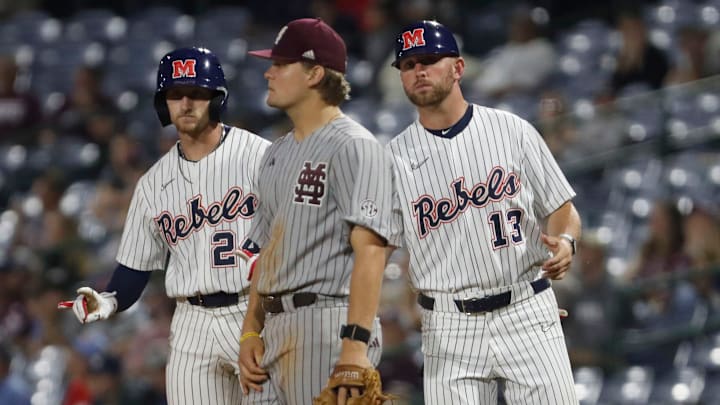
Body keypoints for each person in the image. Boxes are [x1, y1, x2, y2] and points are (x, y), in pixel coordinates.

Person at [58, 46, 271, 404]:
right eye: (175, 95)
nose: (185, 104)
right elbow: (132, 272)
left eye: (197, 94)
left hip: (256, 312)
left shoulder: (260, 155)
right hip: (191, 322)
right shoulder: (153, 184)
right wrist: (107, 302)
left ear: (216, 99)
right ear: (164, 104)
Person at [386, 20, 582, 404]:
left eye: (428, 60)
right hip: (448, 325)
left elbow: (563, 209)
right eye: (408, 65)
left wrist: (567, 242)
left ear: (458, 68)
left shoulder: (512, 130)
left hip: (526, 307)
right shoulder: (392, 160)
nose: (418, 71)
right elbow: (375, 248)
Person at [237, 18, 395, 405]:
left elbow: (372, 250)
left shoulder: (354, 146)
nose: (268, 72)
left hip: (326, 323)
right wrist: (250, 331)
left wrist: (355, 347)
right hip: (274, 329)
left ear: (315, 74)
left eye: (281, 64)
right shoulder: (276, 152)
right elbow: (266, 254)